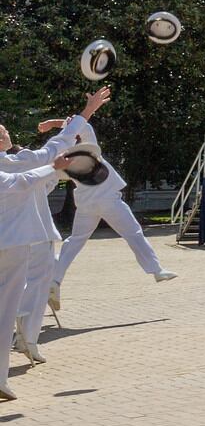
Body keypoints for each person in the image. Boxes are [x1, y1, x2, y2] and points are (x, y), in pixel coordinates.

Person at [0, 88, 109, 390]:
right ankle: (23, 343)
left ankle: (26, 341)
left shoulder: (18, 162)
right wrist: (86, 112)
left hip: (25, 237)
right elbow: (55, 149)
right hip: (22, 239)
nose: (9, 133)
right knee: (16, 300)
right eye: (5, 131)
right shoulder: (20, 162)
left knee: (26, 293)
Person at [48, 105, 176, 292]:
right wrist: (54, 123)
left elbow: (75, 128)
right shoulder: (90, 149)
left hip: (86, 204)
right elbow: (81, 124)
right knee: (133, 233)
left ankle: (55, 280)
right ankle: (156, 269)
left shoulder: (66, 164)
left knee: (74, 241)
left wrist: (54, 125)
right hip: (108, 200)